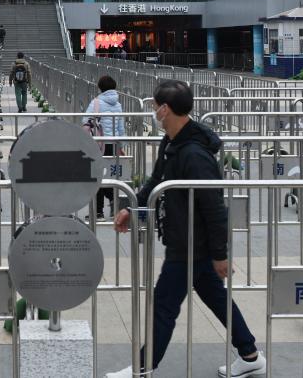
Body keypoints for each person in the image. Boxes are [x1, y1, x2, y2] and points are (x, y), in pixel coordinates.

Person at [108, 80, 265, 378]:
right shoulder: (172, 142)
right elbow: (157, 180)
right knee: (216, 299)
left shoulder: (194, 155)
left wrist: (220, 254)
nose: (154, 111)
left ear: (165, 109)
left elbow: (214, 208)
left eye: (155, 106)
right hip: (186, 239)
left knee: (164, 305)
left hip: (191, 244)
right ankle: (250, 354)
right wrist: (133, 207)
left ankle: (142, 369)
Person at [85, 75, 126, 219]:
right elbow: (121, 127)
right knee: (110, 176)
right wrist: (121, 145)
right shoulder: (118, 105)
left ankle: (98, 211)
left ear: (100, 88)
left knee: (97, 176)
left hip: (99, 144)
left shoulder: (96, 102)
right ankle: (114, 200)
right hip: (113, 144)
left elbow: (86, 120)